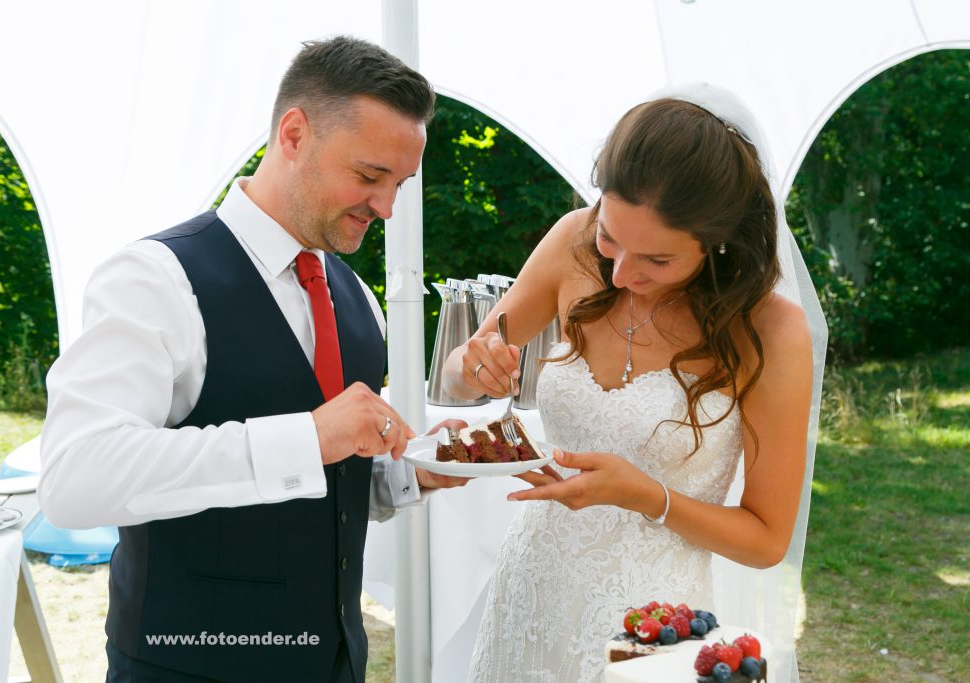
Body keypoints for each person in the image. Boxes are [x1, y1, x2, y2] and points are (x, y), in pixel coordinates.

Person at [40, 36, 464, 683]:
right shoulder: (154, 278)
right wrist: (308, 436)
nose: (386, 207)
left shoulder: (358, 302)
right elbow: (75, 480)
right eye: (371, 176)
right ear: (293, 134)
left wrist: (413, 474)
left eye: (399, 183)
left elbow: (323, 488)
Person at [443, 84, 815, 682]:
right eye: (610, 238)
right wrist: (473, 365)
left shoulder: (768, 330)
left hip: (652, 624)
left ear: (718, 240)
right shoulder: (570, 241)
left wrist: (647, 496)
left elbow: (766, 540)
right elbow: (465, 371)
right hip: (533, 589)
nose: (621, 272)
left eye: (657, 261)